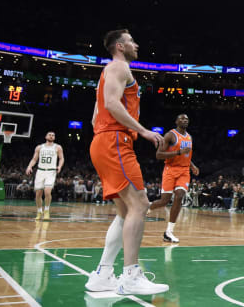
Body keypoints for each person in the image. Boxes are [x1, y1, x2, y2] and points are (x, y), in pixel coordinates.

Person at [85, 29, 169, 295]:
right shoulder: (119, 67)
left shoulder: (108, 72)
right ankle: (131, 275)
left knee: (124, 213)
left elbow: (95, 116)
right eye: (132, 40)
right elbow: (110, 103)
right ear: (120, 46)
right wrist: (143, 131)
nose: (137, 43)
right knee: (140, 204)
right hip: (114, 143)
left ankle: (103, 274)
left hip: (104, 142)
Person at [148, 114, 200, 243]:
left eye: (187, 119)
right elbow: (159, 155)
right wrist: (178, 153)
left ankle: (169, 232)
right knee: (164, 201)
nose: (185, 120)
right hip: (170, 170)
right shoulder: (170, 135)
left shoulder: (189, 137)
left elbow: (186, 155)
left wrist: (192, 165)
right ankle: (146, 207)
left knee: (179, 195)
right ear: (176, 121)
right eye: (182, 118)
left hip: (184, 171)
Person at [25, 131, 64, 221]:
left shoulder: (57, 147)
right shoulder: (39, 147)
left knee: (47, 191)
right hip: (40, 171)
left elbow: (61, 158)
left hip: (51, 172)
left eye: (53, 135)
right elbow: (34, 159)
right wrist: (29, 166)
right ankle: (39, 211)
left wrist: (59, 166)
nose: (51, 136)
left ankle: (46, 211)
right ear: (46, 136)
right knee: (38, 193)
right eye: (50, 135)